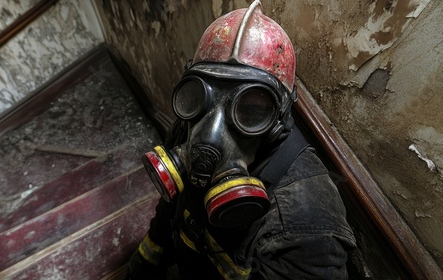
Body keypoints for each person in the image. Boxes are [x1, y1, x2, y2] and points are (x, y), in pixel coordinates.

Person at [127, 1, 356, 279]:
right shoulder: (187, 125)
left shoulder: (304, 221)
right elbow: (169, 211)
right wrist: (142, 264)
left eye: (249, 109)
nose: (209, 129)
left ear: (280, 114)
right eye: (204, 94)